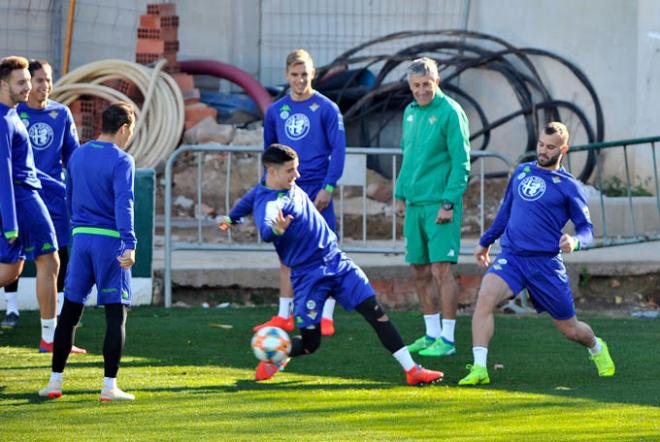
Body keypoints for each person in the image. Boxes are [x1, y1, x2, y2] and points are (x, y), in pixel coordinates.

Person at [222, 144, 443, 386]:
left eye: (296, 169)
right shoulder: (273, 203)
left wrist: (231, 217)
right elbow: (265, 228)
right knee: (310, 344)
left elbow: (248, 200)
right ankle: (280, 353)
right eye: (290, 171)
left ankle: (413, 370)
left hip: (337, 262)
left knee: (376, 313)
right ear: (271, 171)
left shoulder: (276, 185)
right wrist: (275, 229)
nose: (297, 176)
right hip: (308, 276)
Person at [458, 122, 615, 386]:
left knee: (570, 329)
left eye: (550, 147)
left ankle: (597, 347)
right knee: (485, 296)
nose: (542, 151)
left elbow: (587, 229)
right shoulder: (521, 171)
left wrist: (575, 242)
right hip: (513, 257)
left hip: (546, 264)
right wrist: (485, 241)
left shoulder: (569, 186)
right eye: (540, 145)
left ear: (563, 149)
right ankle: (479, 368)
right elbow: (505, 212)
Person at [39, 102, 137, 401]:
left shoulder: (78, 154)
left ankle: (54, 383)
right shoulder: (123, 160)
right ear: (123, 128)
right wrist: (130, 242)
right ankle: (109, 387)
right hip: (110, 243)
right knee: (115, 316)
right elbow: (125, 202)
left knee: (68, 312)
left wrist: (76, 230)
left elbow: (68, 196)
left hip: (80, 240)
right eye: (130, 130)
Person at [249, 49, 345, 337]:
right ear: (286, 76)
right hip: (288, 191)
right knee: (286, 253)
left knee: (326, 252)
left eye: (305, 74)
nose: (300, 80)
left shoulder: (327, 108)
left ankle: (326, 317)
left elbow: (338, 151)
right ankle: (284, 315)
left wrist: (329, 186)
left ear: (313, 73)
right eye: (295, 75)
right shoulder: (276, 111)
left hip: (317, 190)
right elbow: (270, 154)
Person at [394, 57, 471, 357]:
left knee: (441, 270)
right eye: (416, 86)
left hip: (440, 205)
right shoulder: (409, 112)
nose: (422, 91)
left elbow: (461, 162)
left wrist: (449, 203)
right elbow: (408, 155)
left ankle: (448, 341)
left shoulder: (451, 112)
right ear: (410, 86)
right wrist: (401, 194)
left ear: (436, 82)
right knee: (419, 270)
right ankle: (431, 334)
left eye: (427, 84)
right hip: (414, 204)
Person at [1, 60, 82, 345]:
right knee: (41, 262)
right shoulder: (5, 119)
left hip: (31, 196)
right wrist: (10, 223)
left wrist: (61, 187)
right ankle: (51, 338)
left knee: (29, 265)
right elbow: (6, 174)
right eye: (22, 82)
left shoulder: (13, 115)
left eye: (29, 81)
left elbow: (29, 170)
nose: (30, 87)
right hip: (23, 202)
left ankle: (52, 338)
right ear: (3, 85)